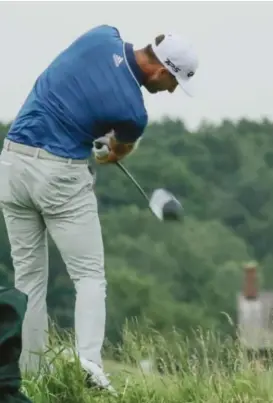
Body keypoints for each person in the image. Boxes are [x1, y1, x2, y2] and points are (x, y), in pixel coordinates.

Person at [0, 25, 198, 392]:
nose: (169, 91)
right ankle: (88, 365)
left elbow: (83, 83)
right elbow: (115, 152)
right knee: (89, 276)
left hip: (10, 162)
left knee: (28, 280)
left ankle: (29, 377)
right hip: (58, 174)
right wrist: (106, 149)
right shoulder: (134, 112)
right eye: (173, 83)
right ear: (161, 71)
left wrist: (93, 131)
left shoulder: (101, 35)